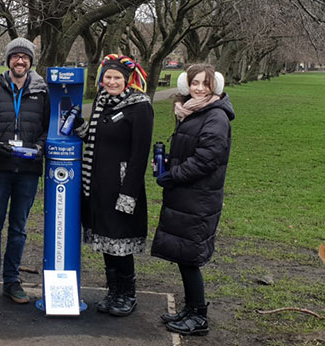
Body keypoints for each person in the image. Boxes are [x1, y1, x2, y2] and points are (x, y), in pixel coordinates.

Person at [150, 64, 234, 336]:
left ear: (215, 87)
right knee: (185, 255)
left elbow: (207, 159)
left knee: (190, 258)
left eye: (205, 84)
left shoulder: (215, 117)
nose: (199, 88)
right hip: (186, 196)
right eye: (194, 83)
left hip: (198, 198)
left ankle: (199, 317)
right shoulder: (192, 111)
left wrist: (174, 175)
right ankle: (191, 308)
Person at [0, 37, 50, 305]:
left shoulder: (43, 92)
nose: (20, 60)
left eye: (25, 57)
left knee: (19, 228)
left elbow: (51, 129)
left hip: (28, 171)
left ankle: (13, 281)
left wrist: (40, 146)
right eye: (15, 56)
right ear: (8, 60)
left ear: (31, 61)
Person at [74, 54, 153, 317]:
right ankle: (113, 291)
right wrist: (78, 126)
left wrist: (128, 193)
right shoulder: (102, 101)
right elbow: (94, 139)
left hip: (120, 185)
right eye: (107, 77)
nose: (111, 81)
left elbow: (140, 154)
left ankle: (127, 294)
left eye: (117, 77)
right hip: (97, 184)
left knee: (120, 242)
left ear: (128, 79)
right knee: (105, 240)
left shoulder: (139, 106)